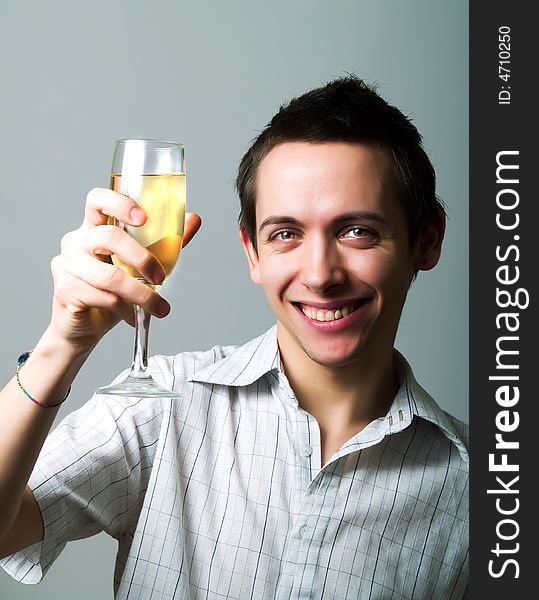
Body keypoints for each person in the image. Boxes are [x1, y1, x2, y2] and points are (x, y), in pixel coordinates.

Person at [0, 76, 468, 599]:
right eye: (286, 233)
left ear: (426, 241)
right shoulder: (165, 407)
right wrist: (60, 346)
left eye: (356, 231)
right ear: (253, 252)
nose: (320, 273)